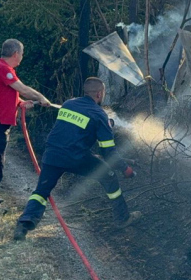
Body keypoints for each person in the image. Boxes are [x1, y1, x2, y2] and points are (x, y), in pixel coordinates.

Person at [13, 77, 141, 240]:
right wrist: (125, 168)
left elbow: (74, 131)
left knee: (41, 191)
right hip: (75, 158)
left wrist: (103, 125)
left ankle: (23, 225)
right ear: (99, 94)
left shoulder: (69, 104)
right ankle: (123, 218)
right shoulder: (99, 115)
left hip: (53, 154)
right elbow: (108, 152)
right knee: (108, 176)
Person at [0, 39, 51, 214]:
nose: (22, 57)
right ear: (16, 54)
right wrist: (41, 97)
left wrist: (20, 103)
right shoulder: (3, 68)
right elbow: (21, 88)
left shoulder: (4, 69)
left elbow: (6, 93)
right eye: (22, 53)